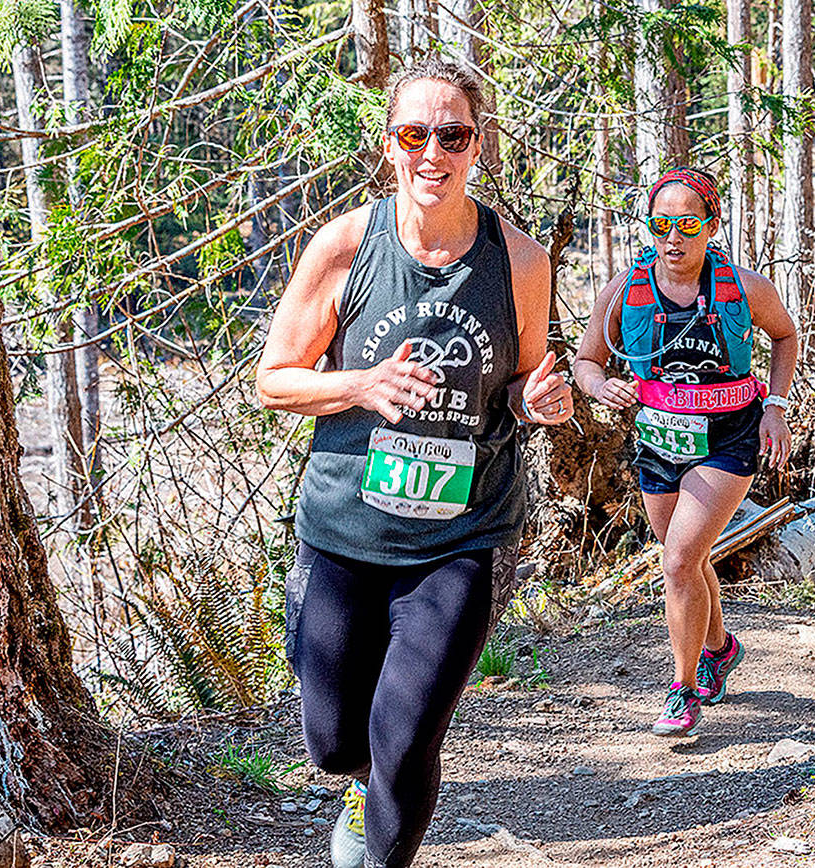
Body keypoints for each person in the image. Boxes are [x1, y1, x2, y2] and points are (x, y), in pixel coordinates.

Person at [256, 60, 573, 868]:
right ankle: (361, 792)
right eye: (414, 134)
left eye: (453, 136)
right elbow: (273, 380)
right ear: (390, 144)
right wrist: (362, 382)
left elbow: (522, 382)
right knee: (335, 746)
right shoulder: (347, 246)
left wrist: (540, 403)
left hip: (460, 536)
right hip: (344, 529)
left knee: (404, 744)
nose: (433, 153)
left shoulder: (522, 261)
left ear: (478, 146)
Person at [573, 168, 798, 737]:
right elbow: (586, 361)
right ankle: (719, 648)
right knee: (688, 559)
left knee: (677, 561)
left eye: (688, 225)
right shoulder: (625, 291)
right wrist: (602, 387)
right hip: (659, 441)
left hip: (728, 438)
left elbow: (786, 336)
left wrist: (775, 407)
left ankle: (682, 689)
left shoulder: (744, 287)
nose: (674, 239)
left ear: (712, 226)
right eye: (662, 225)